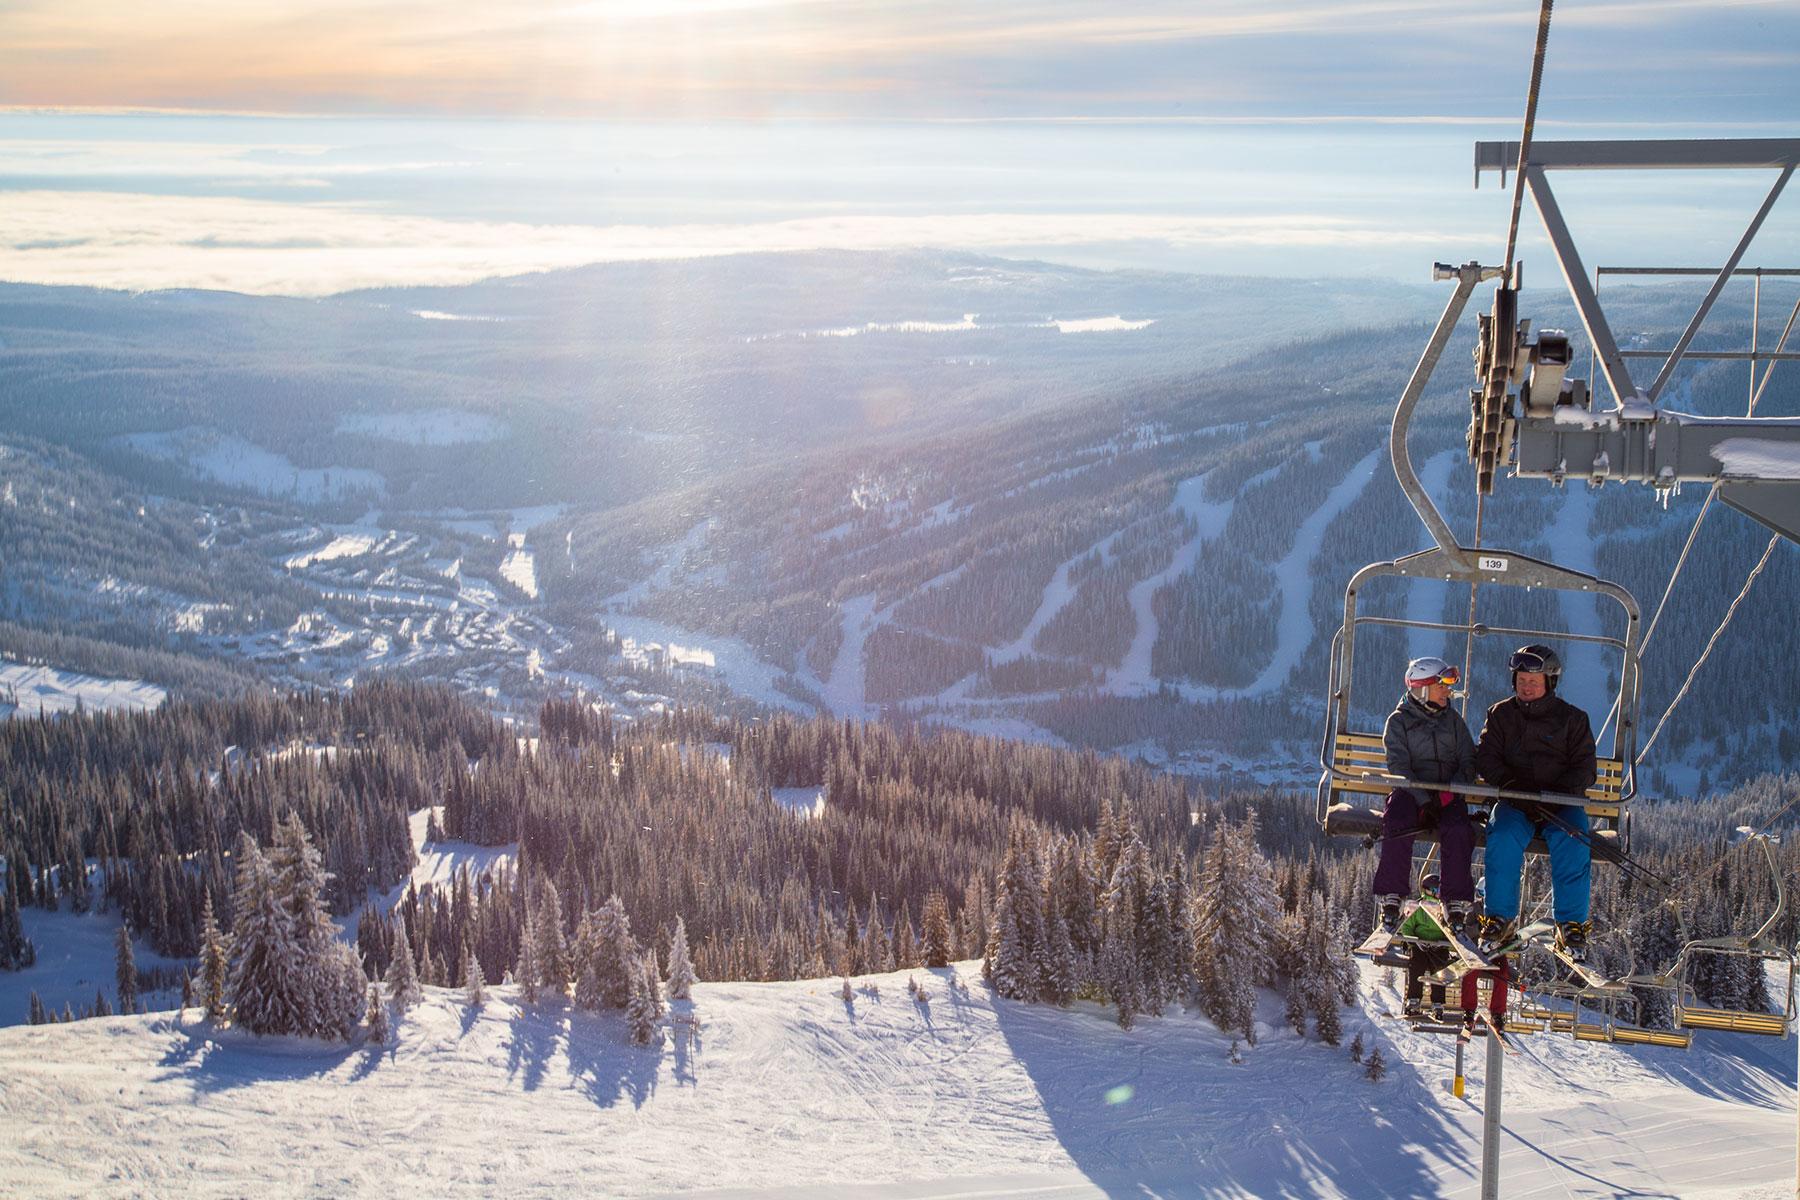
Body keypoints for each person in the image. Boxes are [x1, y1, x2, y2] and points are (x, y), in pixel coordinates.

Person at [1475, 643, 1598, 961]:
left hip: (1559, 804)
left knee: (1574, 839)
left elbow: (1586, 770)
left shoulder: (1572, 719)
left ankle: (1570, 924)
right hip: (1516, 801)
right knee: (1502, 837)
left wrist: (1556, 793)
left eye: (1533, 681)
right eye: (1521, 680)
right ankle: (1498, 918)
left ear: (1549, 682)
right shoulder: (1501, 715)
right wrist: (1512, 785)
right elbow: (1486, 758)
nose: (1526, 687)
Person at [1373, 656, 1477, 935]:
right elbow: (1399, 767)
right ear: (1422, 689)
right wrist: (1423, 800)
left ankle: (1454, 898)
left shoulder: (1453, 722)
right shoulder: (1399, 722)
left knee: (1457, 827)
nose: (1447, 691)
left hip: (1447, 793)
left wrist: (1447, 794)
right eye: (1441, 685)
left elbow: (1469, 761)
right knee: (1397, 819)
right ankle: (1392, 894)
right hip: (1411, 792)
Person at [1397, 873, 1511, 1025]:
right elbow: (1464, 931)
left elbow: (1452, 930)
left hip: (1488, 950)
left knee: (1441, 966)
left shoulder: (1501, 910)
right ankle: (1417, 1000)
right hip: (1474, 950)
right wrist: (1415, 942)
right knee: (1419, 965)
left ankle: (1496, 1012)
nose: (1484, 898)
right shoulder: (1472, 910)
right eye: (1481, 894)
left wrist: (1502, 937)